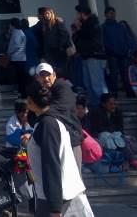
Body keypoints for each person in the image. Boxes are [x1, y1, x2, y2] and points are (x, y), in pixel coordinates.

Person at [25, 84, 93, 217]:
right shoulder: (49, 121)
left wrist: (55, 208)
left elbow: (51, 164)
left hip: (60, 199)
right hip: (57, 196)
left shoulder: (47, 124)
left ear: (30, 101)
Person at [34, 63, 83, 172]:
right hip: (52, 142)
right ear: (37, 78)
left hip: (71, 140)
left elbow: (60, 108)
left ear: (54, 75)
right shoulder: (39, 92)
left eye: (48, 75)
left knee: (74, 178)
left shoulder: (63, 86)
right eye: (42, 75)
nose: (46, 78)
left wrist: (39, 111)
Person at [90, 93, 137, 171]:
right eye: (110, 104)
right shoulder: (96, 112)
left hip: (115, 135)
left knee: (120, 139)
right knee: (110, 139)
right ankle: (125, 162)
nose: (113, 106)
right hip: (102, 135)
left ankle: (131, 161)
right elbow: (97, 128)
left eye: (114, 103)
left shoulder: (118, 112)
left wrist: (114, 133)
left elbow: (120, 128)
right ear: (103, 104)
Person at [71, 5, 108, 107]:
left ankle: (105, 106)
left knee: (97, 84)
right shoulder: (85, 25)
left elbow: (86, 37)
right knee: (88, 84)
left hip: (94, 56)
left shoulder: (92, 24)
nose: (77, 16)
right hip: (86, 56)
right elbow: (78, 40)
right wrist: (76, 31)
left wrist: (78, 29)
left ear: (82, 13)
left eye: (78, 13)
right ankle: (95, 107)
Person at [102, 7, 137, 96]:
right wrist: (108, 51)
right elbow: (103, 41)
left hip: (123, 54)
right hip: (112, 55)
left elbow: (126, 38)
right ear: (106, 15)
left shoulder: (120, 26)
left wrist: (127, 50)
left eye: (113, 13)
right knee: (114, 74)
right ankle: (114, 93)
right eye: (110, 13)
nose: (112, 15)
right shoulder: (103, 27)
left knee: (125, 74)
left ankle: (129, 92)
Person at [32, 7, 73, 78]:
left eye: (48, 13)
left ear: (51, 13)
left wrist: (60, 47)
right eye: (45, 14)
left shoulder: (57, 22)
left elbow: (65, 36)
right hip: (49, 53)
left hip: (59, 53)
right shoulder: (42, 24)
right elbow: (34, 31)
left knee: (61, 72)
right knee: (52, 71)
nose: (46, 15)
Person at [7, 18, 28, 97]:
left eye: (10, 24)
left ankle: (22, 92)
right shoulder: (20, 32)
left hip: (17, 58)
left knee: (19, 77)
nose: (9, 26)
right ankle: (22, 92)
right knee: (21, 76)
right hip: (21, 58)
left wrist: (9, 52)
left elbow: (16, 45)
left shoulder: (16, 33)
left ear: (13, 25)